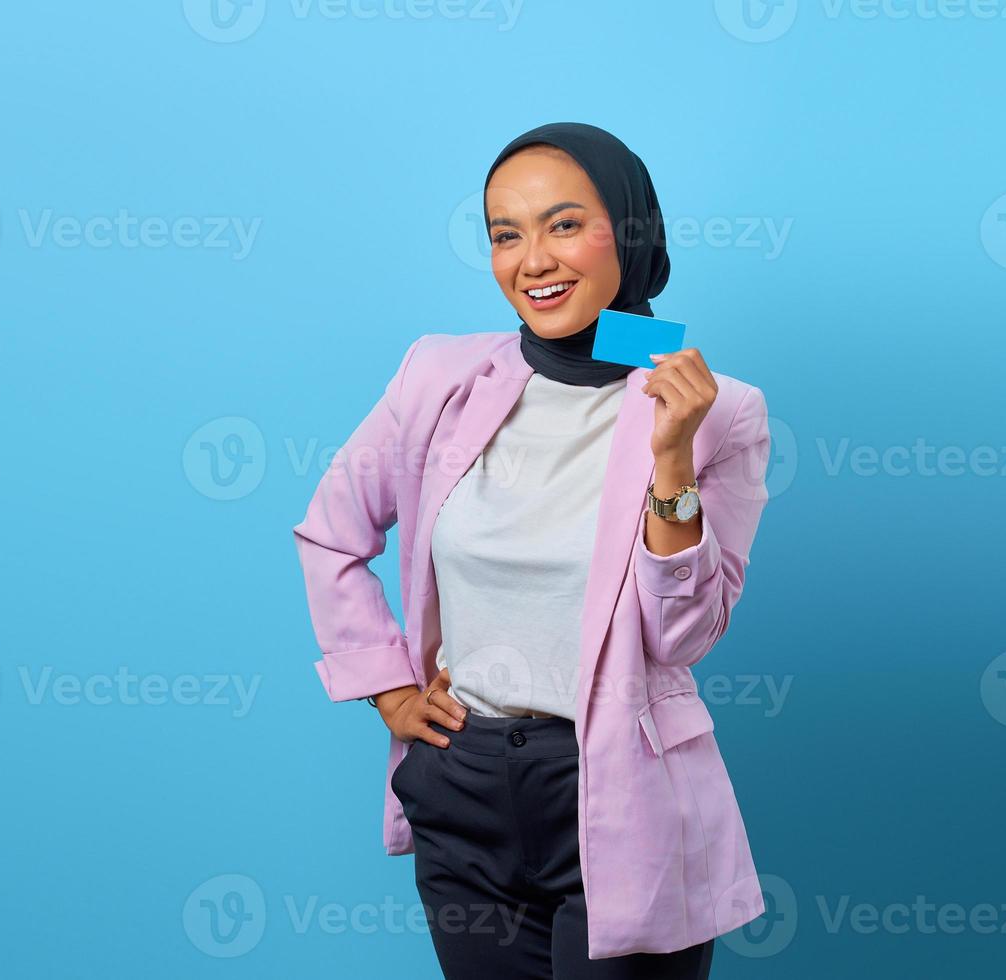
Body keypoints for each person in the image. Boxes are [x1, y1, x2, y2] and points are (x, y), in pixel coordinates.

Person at [293, 122, 772, 979]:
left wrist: (671, 456)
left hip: (622, 791)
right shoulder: (436, 377)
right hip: (464, 785)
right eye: (505, 235)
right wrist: (387, 688)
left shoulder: (717, 411)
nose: (532, 260)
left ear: (627, 231)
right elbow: (330, 535)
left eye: (561, 224)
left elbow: (684, 636)